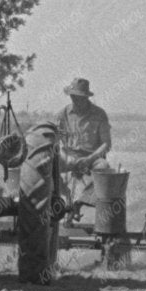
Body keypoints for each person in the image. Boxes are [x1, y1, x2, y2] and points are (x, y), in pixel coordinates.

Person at [53, 76, 111, 210]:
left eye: (79, 97)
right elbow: (57, 140)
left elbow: (106, 144)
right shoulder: (62, 115)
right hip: (69, 156)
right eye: (73, 96)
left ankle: (81, 201)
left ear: (86, 97)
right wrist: (64, 154)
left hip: (92, 158)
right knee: (48, 165)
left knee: (104, 168)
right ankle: (63, 193)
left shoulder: (100, 114)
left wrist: (89, 159)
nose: (75, 100)